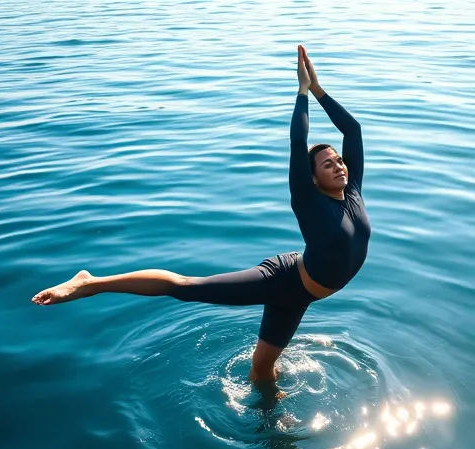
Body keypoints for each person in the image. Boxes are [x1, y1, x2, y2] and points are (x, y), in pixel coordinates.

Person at [32, 45, 371, 383]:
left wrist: (318, 89)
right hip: (283, 281)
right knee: (187, 287)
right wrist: (301, 92)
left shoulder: (352, 190)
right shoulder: (309, 201)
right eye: (328, 164)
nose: (339, 165)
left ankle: (270, 419)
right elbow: (299, 142)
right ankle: (90, 283)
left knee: (262, 369)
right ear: (313, 178)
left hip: (301, 296)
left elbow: (352, 130)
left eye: (339, 160)